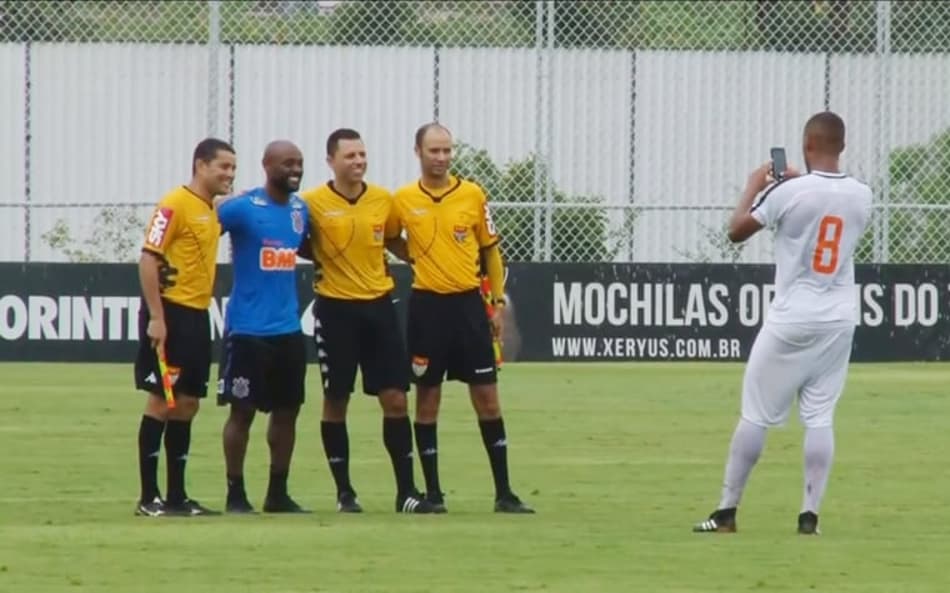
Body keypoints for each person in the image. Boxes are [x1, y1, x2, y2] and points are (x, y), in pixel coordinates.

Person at [692, 111, 872, 535]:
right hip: (838, 319)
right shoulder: (863, 194)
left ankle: (726, 513)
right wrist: (797, 183)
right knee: (820, 417)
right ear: (840, 146)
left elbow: (736, 231)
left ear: (807, 144)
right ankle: (809, 517)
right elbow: (824, 206)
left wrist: (755, 187)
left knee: (755, 415)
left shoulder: (788, 191)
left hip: (792, 316)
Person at [385, 122, 534, 514]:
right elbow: (389, 236)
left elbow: (491, 252)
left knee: (486, 397)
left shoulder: (471, 194)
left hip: (468, 305)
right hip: (426, 308)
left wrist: (497, 303)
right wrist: (412, 255)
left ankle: (504, 492)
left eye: (447, 150)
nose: (442, 157)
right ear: (418, 152)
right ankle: (433, 493)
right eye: (434, 151)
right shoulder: (402, 200)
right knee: (428, 398)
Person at [298, 128, 435, 514]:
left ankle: (406, 492)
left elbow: (393, 239)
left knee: (395, 398)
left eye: (362, 155)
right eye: (350, 156)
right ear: (331, 161)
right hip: (335, 309)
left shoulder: (382, 201)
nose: (358, 162)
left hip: (379, 307)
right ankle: (344, 492)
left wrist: (423, 259)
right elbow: (299, 241)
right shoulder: (312, 203)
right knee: (336, 399)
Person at [133, 137, 236, 517]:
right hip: (171, 314)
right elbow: (148, 259)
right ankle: (148, 498)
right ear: (200, 165)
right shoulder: (174, 204)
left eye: (233, 168)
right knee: (162, 400)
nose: (229, 174)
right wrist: (157, 318)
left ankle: (177, 496)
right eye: (223, 166)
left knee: (188, 402)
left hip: (196, 314)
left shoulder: (210, 210)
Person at [217, 140, 311, 514]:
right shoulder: (242, 208)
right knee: (242, 412)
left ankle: (277, 493)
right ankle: (235, 492)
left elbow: (306, 246)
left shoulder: (300, 210)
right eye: (287, 163)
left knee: (287, 411)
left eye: (300, 163)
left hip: (287, 329)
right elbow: (201, 229)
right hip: (248, 331)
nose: (295, 169)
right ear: (267, 165)